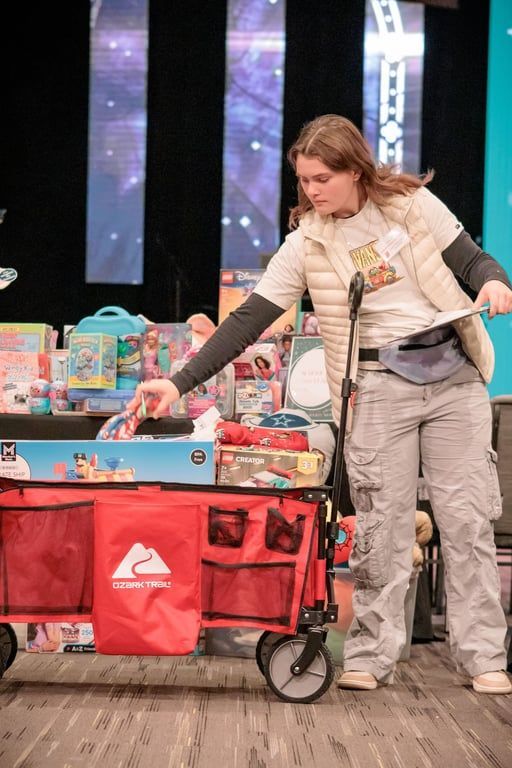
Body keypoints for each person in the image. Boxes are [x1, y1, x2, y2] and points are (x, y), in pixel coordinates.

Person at [130, 114, 512, 695]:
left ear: (356, 170)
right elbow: (249, 320)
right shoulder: (308, 242)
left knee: (466, 521)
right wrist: (178, 384)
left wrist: (492, 282)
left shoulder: (412, 206)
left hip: (454, 380)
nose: (311, 191)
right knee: (381, 527)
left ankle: (484, 656)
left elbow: (472, 259)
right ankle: (370, 655)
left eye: (322, 178)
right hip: (378, 384)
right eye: (303, 180)